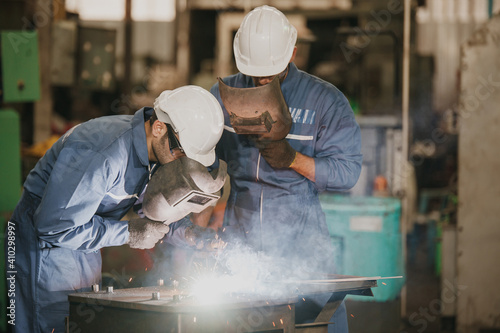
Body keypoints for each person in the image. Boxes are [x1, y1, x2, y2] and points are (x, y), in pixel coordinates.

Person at [6, 85, 225, 333]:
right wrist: (129, 233)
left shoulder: (157, 155)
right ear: (159, 127)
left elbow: (152, 210)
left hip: (85, 241)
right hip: (45, 245)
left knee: (80, 320)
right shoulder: (103, 152)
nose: (182, 162)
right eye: (182, 153)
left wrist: (188, 234)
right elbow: (54, 228)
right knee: (54, 323)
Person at [209, 5, 362, 333]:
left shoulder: (324, 100)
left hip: (302, 245)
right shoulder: (221, 97)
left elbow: (347, 173)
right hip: (241, 243)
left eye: (271, 70)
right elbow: (202, 162)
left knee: (317, 325)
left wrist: (293, 159)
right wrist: (200, 218)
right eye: (255, 70)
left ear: (293, 52)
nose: (262, 78)